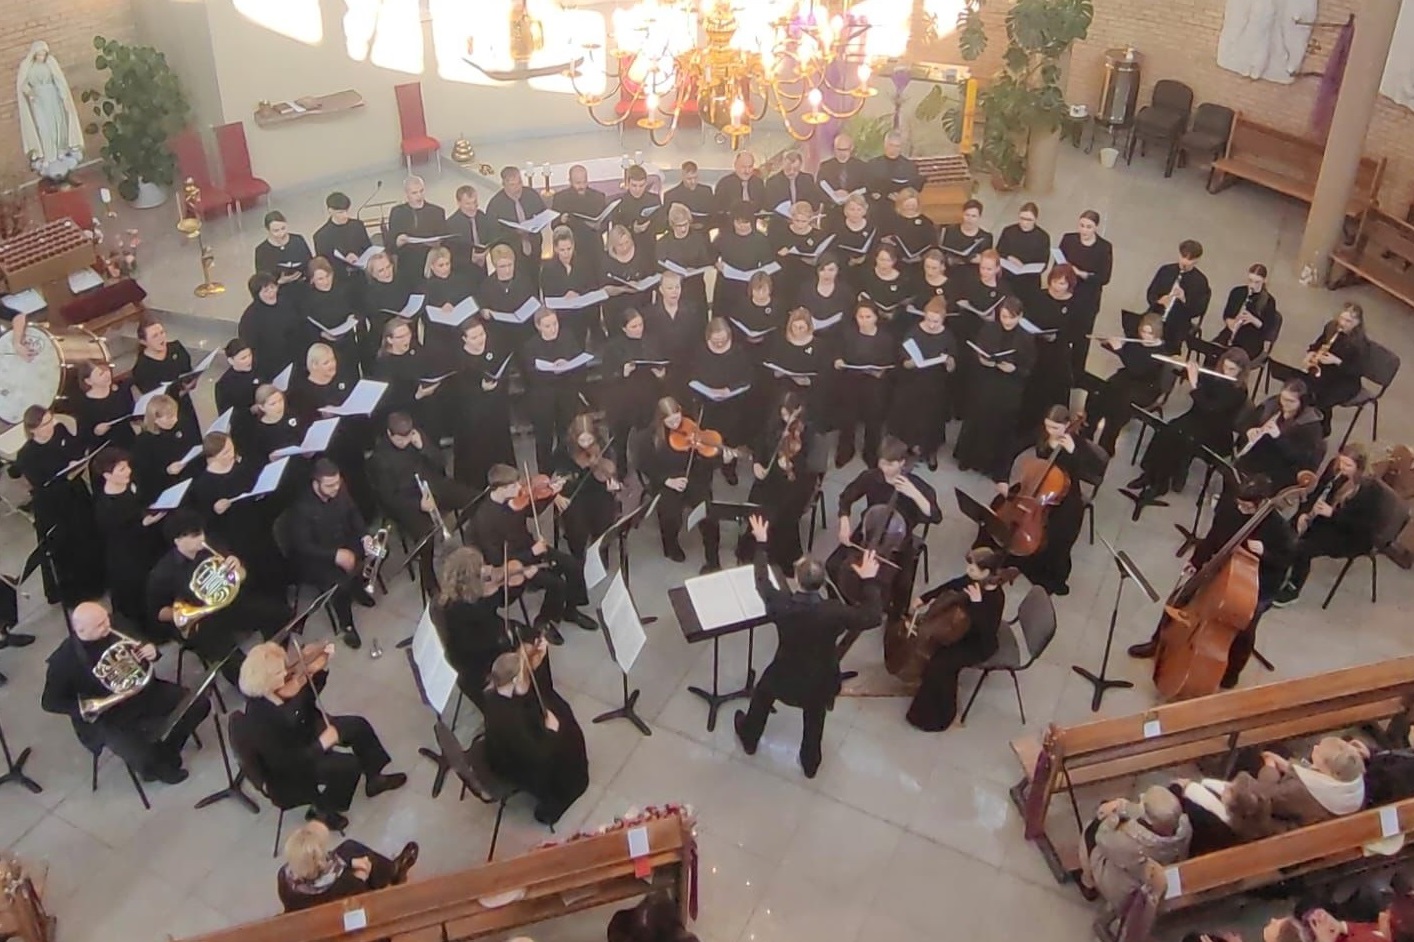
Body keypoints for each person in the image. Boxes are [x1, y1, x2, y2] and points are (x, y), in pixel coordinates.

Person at [734, 514, 881, 778]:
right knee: (815, 718)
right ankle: (810, 761)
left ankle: (749, 736)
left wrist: (762, 543)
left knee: (762, 693)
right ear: (822, 583)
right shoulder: (835, 611)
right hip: (821, 679)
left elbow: (761, 580)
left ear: (797, 580)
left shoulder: (781, 604)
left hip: (784, 674)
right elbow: (872, 616)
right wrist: (869, 580)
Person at [1128, 475, 1295, 689]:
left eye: (1246, 506)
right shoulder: (1230, 510)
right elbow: (1212, 538)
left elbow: (1287, 560)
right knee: (1179, 597)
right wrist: (1196, 562)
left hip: (1259, 583)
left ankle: (1232, 672)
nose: (1241, 508)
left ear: (1262, 502)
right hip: (1224, 569)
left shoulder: (1278, 528)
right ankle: (1157, 642)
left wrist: (1265, 553)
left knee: (1244, 626)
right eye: (1239, 503)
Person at [239, 640, 408, 831]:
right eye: (281, 673)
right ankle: (322, 809)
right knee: (349, 766)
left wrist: (316, 671)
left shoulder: (279, 688)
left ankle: (374, 779)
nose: (287, 674)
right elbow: (289, 763)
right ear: (265, 683)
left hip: (305, 730)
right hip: (291, 769)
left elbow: (306, 698)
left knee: (357, 726)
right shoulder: (260, 721)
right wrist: (321, 744)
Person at [41, 601, 209, 784]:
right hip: (109, 714)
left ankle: (167, 750)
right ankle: (157, 764)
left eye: (106, 618)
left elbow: (143, 644)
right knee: (142, 756)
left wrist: (152, 651)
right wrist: (86, 706)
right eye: (99, 625)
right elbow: (50, 702)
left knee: (199, 704)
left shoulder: (116, 624)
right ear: (80, 630)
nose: (107, 626)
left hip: (144, 692)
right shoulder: (64, 661)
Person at [468, 464, 599, 641]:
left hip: (530, 547)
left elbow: (531, 511)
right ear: (500, 489)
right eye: (514, 486)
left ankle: (570, 610)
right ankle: (543, 620)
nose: (520, 488)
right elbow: (498, 559)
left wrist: (551, 494)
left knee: (573, 565)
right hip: (514, 563)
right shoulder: (485, 519)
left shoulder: (514, 499)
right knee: (556, 583)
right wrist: (531, 553)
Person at [146, 510, 265, 683]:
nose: (201, 538)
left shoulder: (212, 546)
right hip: (201, 622)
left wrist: (238, 567)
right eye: (194, 535)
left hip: (228, 605)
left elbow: (241, 576)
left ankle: (276, 659)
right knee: (231, 658)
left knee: (278, 613)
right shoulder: (162, 573)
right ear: (177, 540)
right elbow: (158, 612)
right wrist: (186, 613)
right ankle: (251, 686)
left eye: (201, 532)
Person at [830, 437, 942, 619]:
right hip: (869, 532)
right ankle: (848, 603)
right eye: (882, 463)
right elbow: (846, 498)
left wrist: (915, 494)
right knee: (833, 564)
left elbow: (935, 517)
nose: (884, 468)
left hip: (898, 541)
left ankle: (895, 619)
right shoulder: (871, 477)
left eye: (890, 464)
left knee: (903, 585)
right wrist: (844, 521)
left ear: (902, 463)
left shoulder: (917, 486)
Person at [1000, 406, 1106, 596]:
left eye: (1056, 428)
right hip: (1039, 488)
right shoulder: (1043, 434)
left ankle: (1051, 578)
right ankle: (1020, 556)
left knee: (1058, 536)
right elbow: (1015, 447)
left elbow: (1096, 469)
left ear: (1067, 424)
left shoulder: (1077, 442)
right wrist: (1002, 478)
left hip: (1067, 497)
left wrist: (1074, 451)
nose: (1051, 431)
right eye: (1048, 426)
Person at [7, 406, 106, 605]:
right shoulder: (27, 454)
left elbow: (76, 447)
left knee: (88, 535)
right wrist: (64, 474)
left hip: (75, 494)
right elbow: (40, 482)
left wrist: (76, 461)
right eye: (44, 425)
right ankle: (79, 592)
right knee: (68, 547)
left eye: (50, 420)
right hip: (53, 504)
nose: (50, 426)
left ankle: (100, 581)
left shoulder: (59, 431)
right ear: (33, 429)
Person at [481, 643, 589, 825]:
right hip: (514, 764)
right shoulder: (511, 720)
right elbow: (538, 756)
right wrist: (552, 732)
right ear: (515, 679)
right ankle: (558, 799)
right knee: (566, 744)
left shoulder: (491, 695)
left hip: (504, 749)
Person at [905, 546, 1009, 731]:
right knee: (938, 657)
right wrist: (925, 598)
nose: (968, 571)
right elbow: (953, 585)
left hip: (978, 644)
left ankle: (940, 715)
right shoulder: (975, 580)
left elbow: (986, 631)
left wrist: (977, 604)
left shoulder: (996, 597)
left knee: (940, 665)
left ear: (986, 572)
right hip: (961, 631)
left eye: (972, 568)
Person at [1126, 348, 1251, 504]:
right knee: (1166, 429)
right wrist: (1184, 367)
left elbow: (1210, 407)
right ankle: (1149, 474)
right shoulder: (1216, 376)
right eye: (1225, 367)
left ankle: (1161, 484)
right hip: (1197, 417)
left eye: (1232, 369)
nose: (1226, 372)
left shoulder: (1239, 392)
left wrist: (1194, 384)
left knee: (1180, 438)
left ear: (1241, 371)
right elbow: (1197, 380)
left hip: (1215, 430)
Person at [285, 459, 380, 649]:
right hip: (320, 556)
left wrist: (364, 536)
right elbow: (303, 545)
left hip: (344, 540)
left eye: (337, 482)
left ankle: (358, 586)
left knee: (378, 552)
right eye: (330, 485)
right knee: (339, 586)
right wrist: (335, 555)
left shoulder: (339, 489)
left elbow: (353, 512)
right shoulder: (301, 508)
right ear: (316, 483)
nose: (336, 488)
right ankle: (346, 624)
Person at [1274, 444, 1383, 607]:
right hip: (1326, 516)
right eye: (1341, 462)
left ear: (1359, 468)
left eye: (1348, 465)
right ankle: (1277, 571)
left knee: (1304, 547)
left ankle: (1294, 587)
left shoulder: (1369, 490)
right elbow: (1318, 491)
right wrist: (1304, 512)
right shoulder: (1335, 467)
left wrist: (1332, 513)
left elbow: (1361, 527)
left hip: (1348, 534)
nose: (1342, 467)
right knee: (1287, 531)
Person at [188, 432, 291, 597]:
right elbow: (206, 523)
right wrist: (215, 510)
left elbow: (257, 490)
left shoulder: (244, 469)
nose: (232, 454)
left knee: (273, 573)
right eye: (226, 453)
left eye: (231, 448)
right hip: (234, 538)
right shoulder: (203, 485)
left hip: (258, 529)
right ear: (213, 457)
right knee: (252, 583)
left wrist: (261, 494)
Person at [642, 396, 736, 570]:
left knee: (709, 516)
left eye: (677, 417)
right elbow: (646, 465)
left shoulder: (691, 427)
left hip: (694, 478)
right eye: (670, 421)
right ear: (661, 419)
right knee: (670, 516)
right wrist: (667, 480)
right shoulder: (651, 437)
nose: (676, 424)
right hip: (668, 481)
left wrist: (724, 461)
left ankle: (713, 559)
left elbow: (707, 460)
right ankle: (670, 546)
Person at [954, 296, 1037, 479]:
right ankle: (968, 458)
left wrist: (1014, 369)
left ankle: (990, 464)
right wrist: (983, 360)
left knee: (999, 423)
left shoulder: (1026, 337)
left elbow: (1029, 367)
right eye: (1004, 316)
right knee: (978, 417)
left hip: (1009, 386)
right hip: (986, 380)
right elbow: (979, 349)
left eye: (1011, 318)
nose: (1007, 321)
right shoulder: (989, 328)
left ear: (1020, 316)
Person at [735, 392, 818, 569]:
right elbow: (760, 446)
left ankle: (778, 556)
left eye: (790, 414)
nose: (787, 419)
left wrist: (793, 463)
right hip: (771, 477)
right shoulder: (773, 425)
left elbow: (809, 463)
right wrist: (757, 463)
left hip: (795, 480)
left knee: (783, 513)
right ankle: (755, 546)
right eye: (784, 414)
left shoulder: (808, 431)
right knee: (759, 503)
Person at [1076, 785, 1193, 909]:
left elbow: (1101, 837)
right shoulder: (1185, 828)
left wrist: (1114, 814)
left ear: (1150, 821)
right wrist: (1122, 806)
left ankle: (1088, 883)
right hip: (1162, 874)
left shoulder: (1129, 843)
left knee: (1091, 830)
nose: (1141, 796)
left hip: (1133, 894)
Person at [368, 411, 476, 541]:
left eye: (407, 438)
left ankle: (468, 536)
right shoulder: (380, 458)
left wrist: (424, 447)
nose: (404, 443)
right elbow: (389, 498)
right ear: (389, 433)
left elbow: (441, 462)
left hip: (434, 485)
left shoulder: (417, 436)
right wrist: (419, 504)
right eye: (399, 440)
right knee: (426, 537)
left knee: (475, 498)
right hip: (410, 500)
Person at [91, 448, 166, 628]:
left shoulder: (131, 484)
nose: (129, 471)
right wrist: (144, 523)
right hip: (129, 556)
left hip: (149, 544)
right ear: (107, 475)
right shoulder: (106, 506)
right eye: (122, 469)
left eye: (127, 467)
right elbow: (118, 535)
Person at [277, 820, 418, 913]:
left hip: (311, 908)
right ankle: (393, 873)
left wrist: (349, 862)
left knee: (349, 848)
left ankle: (390, 870)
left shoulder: (284, 877)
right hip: (337, 911)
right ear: (319, 860)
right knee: (364, 859)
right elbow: (358, 899)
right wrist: (361, 876)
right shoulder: (346, 883)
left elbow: (326, 863)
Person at [432, 546, 511, 705]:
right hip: (479, 664)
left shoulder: (450, 598)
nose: (486, 569)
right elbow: (489, 633)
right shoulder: (466, 610)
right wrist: (494, 593)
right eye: (480, 568)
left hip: (470, 646)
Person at [1084, 311, 1166, 456]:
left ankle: (1107, 443)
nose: (1145, 336)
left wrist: (1120, 350)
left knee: (1118, 405)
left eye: (1150, 333)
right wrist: (1111, 344)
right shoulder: (1137, 341)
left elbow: (1137, 369)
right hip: (1128, 378)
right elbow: (1130, 355)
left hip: (1145, 387)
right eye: (1143, 331)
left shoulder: (1160, 353)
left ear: (1158, 333)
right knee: (1100, 392)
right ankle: (1088, 430)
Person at [685, 318, 755, 485]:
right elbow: (692, 375)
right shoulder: (700, 352)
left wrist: (729, 389)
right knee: (708, 439)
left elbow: (748, 377)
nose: (719, 343)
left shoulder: (738, 351)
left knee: (730, 439)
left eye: (723, 340)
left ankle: (729, 468)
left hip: (732, 406)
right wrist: (707, 389)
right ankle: (707, 470)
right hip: (707, 405)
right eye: (715, 340)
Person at [890, 297, 956, 469]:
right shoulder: (914, 332)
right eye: (929, 320)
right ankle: (908, 448)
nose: (932, 325)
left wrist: (949, 362)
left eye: (936, 321)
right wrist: (910, 362)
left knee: (932, 419)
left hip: (935, 384)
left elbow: (952, 367)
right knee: (910, 417)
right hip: (913, 382)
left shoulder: (947, 336)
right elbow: (903, 360)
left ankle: (930, 451)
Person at [523, 307, 593, 469]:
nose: (553, 329)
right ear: (538, 326)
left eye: (555, 324)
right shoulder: (530, 346)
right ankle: (545, 472)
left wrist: (568, 366)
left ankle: (568, 468)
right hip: (543, 398)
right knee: (544, 439)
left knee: (567, 434)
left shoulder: (567, 337)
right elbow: (529, 374)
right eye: (547, 326)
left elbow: (579, 362)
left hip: (566, 393)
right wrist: (552, 370)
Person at [450, 319, 516, 488]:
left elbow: (503, 374)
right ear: (464, 339)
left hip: (495, 412)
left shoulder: (493, 350)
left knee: (500, 448)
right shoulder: (457, 360)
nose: (480, 339)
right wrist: (480, 388)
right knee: (476, 457)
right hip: (472, 419)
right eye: (474, 337)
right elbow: (455, 392)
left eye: (482, 334)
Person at [1249, 737, 1367, 828]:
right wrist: (1289, 766)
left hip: (1288, 829)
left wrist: (1269, 768)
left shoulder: (1298, 790)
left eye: (1318, 751)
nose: (1315, 747)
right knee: (1278, 750)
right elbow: (1312, 772)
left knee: (1252, 758)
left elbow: (1265, 796)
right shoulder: (1350, 780)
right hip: (1323, 826)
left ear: (1325, 767)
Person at [833, 302, 896, 468]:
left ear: (876, 317)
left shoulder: (885, 338)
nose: (864, 320)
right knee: (847, 418)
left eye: (868, 317)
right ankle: (845, 450)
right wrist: (838, 360)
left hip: (874, 384)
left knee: (873, 420)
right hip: (851, 381)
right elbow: (839, 352)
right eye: (860, 317)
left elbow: (889, 361)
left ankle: (871, 452)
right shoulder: (848, 334)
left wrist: (880, 371)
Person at [601, 308, 667, 466]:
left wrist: (661, 374)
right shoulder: (613, 347)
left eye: (640, 325)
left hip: (647, 395)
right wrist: (622, 372)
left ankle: (646, 463)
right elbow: (606, 375)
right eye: (634, 326)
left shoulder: (651, 341)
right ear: (624, 328)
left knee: (647, 434)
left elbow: (660, 363)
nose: (639, 329)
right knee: (621, 436)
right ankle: (621, 464)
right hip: (624, 398)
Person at [554, 413, 622, 562]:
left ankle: (600, 553)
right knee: (576, 527)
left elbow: (612, 472)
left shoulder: (603, 447)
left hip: (598, 491)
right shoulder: (563, 450)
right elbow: (552, 477)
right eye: (582, 440)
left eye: (590, 439)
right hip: (573, 493)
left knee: (604, 519)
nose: (586, 444)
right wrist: (556, 496)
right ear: (574, 438)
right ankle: (578, 557)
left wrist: (613, 483)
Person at [1236, 380, 1327, 490]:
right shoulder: (1272, 405)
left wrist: (1278, 437)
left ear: (1302, 402)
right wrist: (1250, 430)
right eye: (1283, 398)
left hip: (1283, 467)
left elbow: (1301, 458)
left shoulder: (1310, 427)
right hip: (1260, 454)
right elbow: (1249, 421)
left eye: (1291, 401)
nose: (1285, 403)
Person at [1057, 210, 1114, 382]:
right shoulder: (1069, 239)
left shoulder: (1104, 248)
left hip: (1087, 299)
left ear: (1096, 227)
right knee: (1062, 333)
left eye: (1089, 227)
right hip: (1067, 293)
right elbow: (1058, 264)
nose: (1084, 230)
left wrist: (1081, 273)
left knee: (1081, 339)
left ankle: (1076, 374)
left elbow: (1104, 278)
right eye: (1082, 225)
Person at [1304, 303, 1369, 438]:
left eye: (1348, 321)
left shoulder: (1361, 344)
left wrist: (1337, 361)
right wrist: (1311, 353)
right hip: (1328, 371)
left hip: (1347, 381)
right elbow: (1320, 342)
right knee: (1305, 386)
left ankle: (1324, 428)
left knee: (1322, 397)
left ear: (1357, 323)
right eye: (1341, 318)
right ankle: (1309, 423)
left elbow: (1358, 370)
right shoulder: (1332, 327)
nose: (1342, 323)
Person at [131, 318, 201, 440]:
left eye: (162, 333)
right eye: (155, 336)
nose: (161, 338)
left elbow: (188, 372)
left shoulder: (176, 348)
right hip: (165, 416)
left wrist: (192, 382)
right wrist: (179, 392)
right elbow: (154, 400)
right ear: (143, 341)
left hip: (185, 406)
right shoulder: (142, 368)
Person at [541, 226, 605, 347]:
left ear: (574, 246)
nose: (566, 253)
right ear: (555, 249)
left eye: (569, 249)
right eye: (562, 250)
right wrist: (564, 296)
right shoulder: (548, 269)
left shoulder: (584, 263)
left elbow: (592, 286)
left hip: (582, 314)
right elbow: (548, 294)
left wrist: (578, 294)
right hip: (562, 317)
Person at [1146, 239, 1213, 353]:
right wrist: (1159, 301)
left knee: (1172, 338)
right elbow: (1151, 293)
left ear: (1197, 260)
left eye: (1189, 259)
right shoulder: (1166, 270)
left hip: (1179, 320)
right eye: (1183, 257)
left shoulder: (1200, 281)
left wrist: (1184, 299)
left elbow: (1198, 310)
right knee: (1142, 328)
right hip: (1157, 312)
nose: (1184, 262)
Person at [711, 202, 773, 315]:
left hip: (749, 285)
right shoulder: (723, 237)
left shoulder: (760, 240)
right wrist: (716, 263)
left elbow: (768, 264)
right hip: (726, 285)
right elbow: (710, 255)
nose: (742, 226)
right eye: (738, 222)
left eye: (746, 222)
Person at [487, 165, 548, 277]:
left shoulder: (531, 194)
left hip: (534, 247)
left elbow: (543, 213)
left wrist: (538, 224)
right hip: (512, 252)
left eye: (519, 182)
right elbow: (492, 233)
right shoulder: (495, 205)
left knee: (536, 276)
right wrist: (514, 232)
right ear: (504, 184)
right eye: (512, 185)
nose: (518, 187)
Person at [358, 250, 414, 372]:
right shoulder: (369, 294)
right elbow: (376, 321)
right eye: (381, 270)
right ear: (373, 274)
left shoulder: (403, 281)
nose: (387, 272)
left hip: (407, 334)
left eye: (388, 267)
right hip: (383, 339)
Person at [239, 272, 300, 380]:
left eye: (273, 287)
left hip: (292, 358)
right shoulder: (250, 317)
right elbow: (250, 346)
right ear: (257, 294)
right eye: (266, 291)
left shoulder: (285, 302)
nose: (271, 292)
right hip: (268, 365)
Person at [657, 203, 714, 315]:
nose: (683, 229)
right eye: (679, 225)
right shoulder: (663, 243)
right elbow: (659, 266)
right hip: (673, 291)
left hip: (694, 289)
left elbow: (707, 260)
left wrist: (696, 269)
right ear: (672, 225)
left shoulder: (699, 239)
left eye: (686, 224)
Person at [1212, 263, 1278, 359]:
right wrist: (1231, 322)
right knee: (1212, 350)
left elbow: (1267, 329)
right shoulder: (1237, 292)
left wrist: (1252, 319)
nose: (1252, 285)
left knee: (1234, 358)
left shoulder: (1269, 301)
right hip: (1232, 333)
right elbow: (1227, 314)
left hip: (1252, 340)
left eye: (1257, 282)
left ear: (1264, 280)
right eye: (1250, 280)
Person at [386, 175, 448, 275]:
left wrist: (438, 243)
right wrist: (398, 242)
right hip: (408, 262)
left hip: (431, 261)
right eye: (414, 193)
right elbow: (389, 245)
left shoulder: (437, 211)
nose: (419, 195)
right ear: (406, 194)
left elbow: (445, 239)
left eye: (421, 191)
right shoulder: (397, 213)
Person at [72, 360, 135, 452]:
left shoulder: (121, 390)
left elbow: (130, 412)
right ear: (88, 381)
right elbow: (83, 437)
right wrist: (96, 432)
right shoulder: (83, 404)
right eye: (101, 374)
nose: (107, 375)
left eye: (107, 370)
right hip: (104, 449)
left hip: (128, 441)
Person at [551, 164, 609, 265]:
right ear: (570, 181)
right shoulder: (561, 198)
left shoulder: (598, 197)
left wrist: (599, 226)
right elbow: (554, 225)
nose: (582, 186)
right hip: (572, 249)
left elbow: (606, 223)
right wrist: (561, 220)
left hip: (594, 248)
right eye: (578, 183)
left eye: (584, 182)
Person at [996, 202, 1052, 303]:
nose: (1025, 223)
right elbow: (999, 251)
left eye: (1029, 220)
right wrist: (1010, 258)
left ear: (1035, 219)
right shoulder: (1009, 231)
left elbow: (1044, 262)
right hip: (1008, 278)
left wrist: (1027, 267)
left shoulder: (1043, 237)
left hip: (1029, 282)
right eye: (1022, 218)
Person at [254, 211, 314, 303]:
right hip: (280, 293)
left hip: (304, 287)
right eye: (276, 231)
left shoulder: (298, 240)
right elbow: (262, 279)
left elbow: (310, 262)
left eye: (283, 228)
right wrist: (279, 282)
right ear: (268, 230)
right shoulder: (262, 250)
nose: (281, 233)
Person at [312, 191, 374, 280]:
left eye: (346, 211)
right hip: (340, 280)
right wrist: (344, 261)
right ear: (330, 211)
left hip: (362, 275)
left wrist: (358, 256)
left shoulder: (357, 225)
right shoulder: (321, 236)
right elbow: (324, 265)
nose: (345, 215)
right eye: (340, 212)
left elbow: (368, 248)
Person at [866, 130, 923, 219]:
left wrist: (902, 196)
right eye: (891, 145)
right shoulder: (872, 164)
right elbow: (867, 186)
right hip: (879, 206)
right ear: (885, 145)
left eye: (897, 146)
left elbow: (914, 189)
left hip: (902, 206)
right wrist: (873, 193)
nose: (893, 149)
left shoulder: (909, 166)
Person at [764, 150, 819, 241]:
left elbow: (815, 203)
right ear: (782, 165)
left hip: (803, 226)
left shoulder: (807, 179)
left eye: (795, 169)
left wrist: (804, 208)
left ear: (801, 166)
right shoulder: (772, 182)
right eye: (788, 169)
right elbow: (768, 206)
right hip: (780, 226)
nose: (792, 172)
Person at [612, 163, 663, 261]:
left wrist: (650, 226)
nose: (637, 189)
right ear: (627, 184)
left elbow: (661, 226)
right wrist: (632, 228)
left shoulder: (653, 200)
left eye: (641, 185)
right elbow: (616, 230)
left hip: (649, 249)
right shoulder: (620, 202)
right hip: (627, 250)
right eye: (634, 185)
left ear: (646, 183)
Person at [446, 184, 497, 283]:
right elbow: (450, 254)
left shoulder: (482, 217)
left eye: (475, 202)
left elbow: (490, 237)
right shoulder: (451, 225)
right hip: (462, 274)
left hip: (483, 271)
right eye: (468, 204)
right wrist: (470, 258)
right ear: (459, 203)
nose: (473, 207)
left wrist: (487, 251)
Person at [856, 243, 908, 333]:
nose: (884, 264)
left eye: (888, 260)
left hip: (895, 324)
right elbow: (860, 294)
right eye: (881, 259)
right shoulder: (866, 274)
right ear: (876, 259)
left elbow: (905, 302)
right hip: (870, 321)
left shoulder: (903, 279)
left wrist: (895, 313)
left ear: (894, 261)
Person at [883, 189, 936, 275]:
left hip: (920, 263)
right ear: (900, 203)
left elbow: (933, 243)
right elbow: (885, 239)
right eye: (907, 205)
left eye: (913, 205)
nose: (910, 207)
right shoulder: (892, 220)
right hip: (896, 263)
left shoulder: (926, 222)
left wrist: (920, 257)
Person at [816, 133, 869, 216]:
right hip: (832, 211)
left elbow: (866, 188)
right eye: (839, 150)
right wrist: (833, 196)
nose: (841, 153)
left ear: (851, 148)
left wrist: (850, 195)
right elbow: (818, 189)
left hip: (854, 213)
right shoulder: (825, 166)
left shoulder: (861, 166)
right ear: (834, 149)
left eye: (845, 150)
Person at [938, 198, 993, 268]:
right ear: (962, 214)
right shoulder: (949, 231)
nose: (969, 219)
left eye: (973, 216)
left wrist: (982, 260)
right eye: (967, 215)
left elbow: (988, 261)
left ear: (979, 217)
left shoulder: (986, 237)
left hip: (973, 270)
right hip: (950, 269)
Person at [661, 160, 714, 230]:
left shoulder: (706, 191)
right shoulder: (671, 195)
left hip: (703, 231)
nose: (693, 182)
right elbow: (667, 222)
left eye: (695, 178)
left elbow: (713, 215)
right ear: (682, 177)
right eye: (689, 179)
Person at [713, 151, 765, 221]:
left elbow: (762, 207)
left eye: (750, 167)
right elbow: (718, 210)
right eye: (743, 167)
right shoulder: (724, 184)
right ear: (735, 166)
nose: (747, 171)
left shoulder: (758, 183)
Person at [831, 192, 877, 271]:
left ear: (864, 211)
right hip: (841, 266)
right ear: (845, 211)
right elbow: (832, 250)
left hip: (865, 267)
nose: (855, 213)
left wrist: (865, 258)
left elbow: (875, 249)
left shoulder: (872, 227)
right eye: (852, 209)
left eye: (859, 209)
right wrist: (848, 261)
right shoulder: (837, 227)